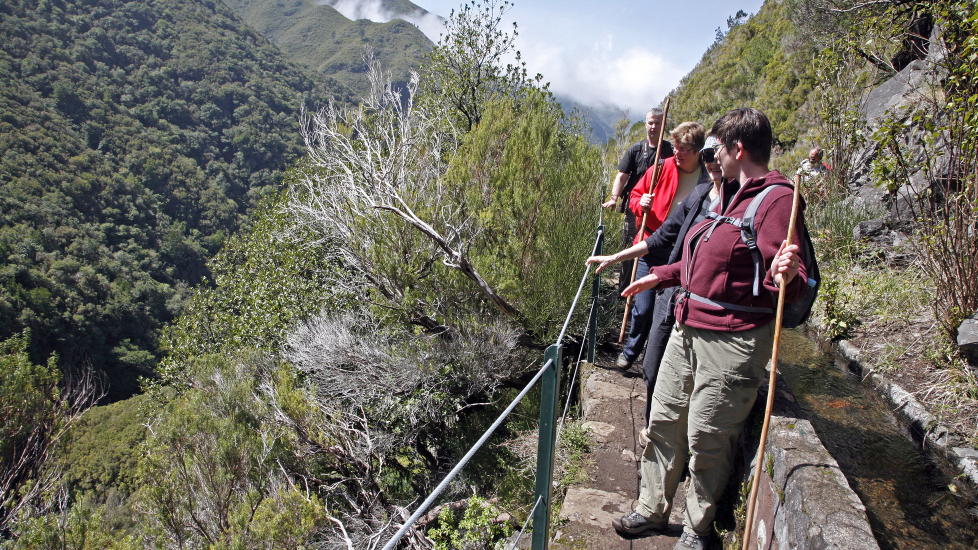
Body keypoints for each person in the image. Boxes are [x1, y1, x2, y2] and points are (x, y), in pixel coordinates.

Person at [610, 108, 806, 550]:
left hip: (732, 339)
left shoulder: (777, 201)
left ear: (738, 149)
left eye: (718, 147)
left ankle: (697, 529)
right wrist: (662, 275)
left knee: (708, 436)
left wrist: (788, 272)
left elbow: (793, 280)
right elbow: (705, 257)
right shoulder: (729, 194)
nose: (713, 155)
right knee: (665, 419)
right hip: (687, 325)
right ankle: (651, 507)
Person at [588, 136, 725, 418]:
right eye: (709, 156)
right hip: (665, 262)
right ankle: (653, 419)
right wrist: (617, 255)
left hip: (703, 300)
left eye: (715, 154)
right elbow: (661, 231)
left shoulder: (736, 198)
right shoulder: (690, 189)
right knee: (648, 321)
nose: (713, 163)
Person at [615, 122, 708, 369]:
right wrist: (640, 202)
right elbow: (634, 195)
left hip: (682, 253)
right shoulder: (660, 169)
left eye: (683, 149)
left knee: (667, 311)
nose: (676, 152)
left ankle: (655, 361)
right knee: (643, 307)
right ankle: (630, 351)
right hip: (650, 245)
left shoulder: (706, 180)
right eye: (675, 146)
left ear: (697, 150)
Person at [604, 108, 675, 292]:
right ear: (645, 124)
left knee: (655, 249)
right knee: (629, 249)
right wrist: (614, 198)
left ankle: (650, 289)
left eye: (657, 123)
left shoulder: (670, 152)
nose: (653, 126)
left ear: (663, 125)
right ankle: (625, 291)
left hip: (660, 214)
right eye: (650, 122)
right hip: (634, 209)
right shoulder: (636, 150)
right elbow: (622, 176)